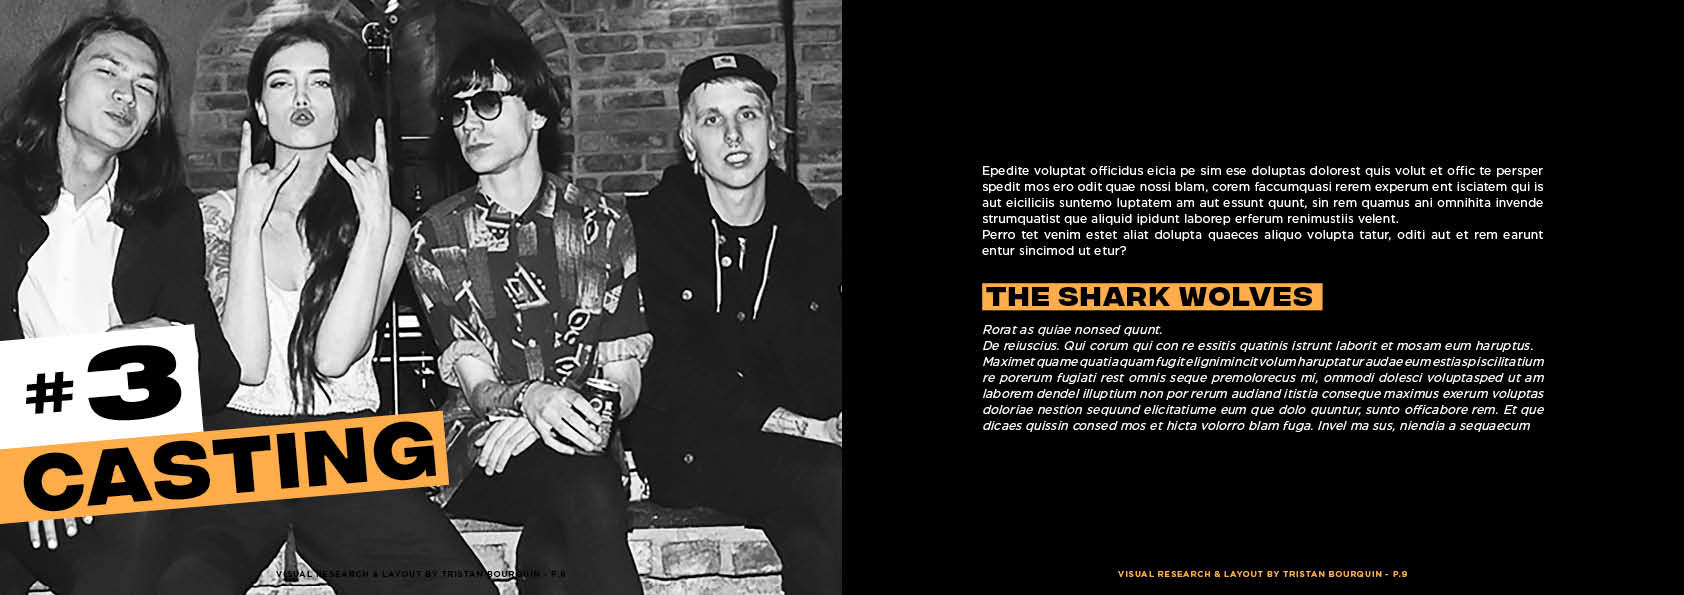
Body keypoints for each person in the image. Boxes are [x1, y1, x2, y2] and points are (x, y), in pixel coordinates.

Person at [153, 18, 494, 594]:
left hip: (344, 442)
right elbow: (246, 365)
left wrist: (374, 226)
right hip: (237, 439)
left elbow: (334, 358)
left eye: (320, 81)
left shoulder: (385, 223)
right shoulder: (213, 216)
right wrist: (245, 227)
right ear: (260, 109)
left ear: (344, 101)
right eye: (281, 83)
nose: (302, 98)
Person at [0, 10, 240, 595]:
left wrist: (161, 353)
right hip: (11, 449)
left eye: (145, 86)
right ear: (61, 86)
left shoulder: (166, 217)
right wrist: (34, 453)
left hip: (114, 463)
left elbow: (216, 374)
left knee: (141, 525)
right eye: (107, 71)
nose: (126, 95)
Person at [405, 38, 648, 595]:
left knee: (549, 551)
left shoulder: (604, 224)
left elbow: (625, 380)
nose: (469, 123)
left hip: (583, 443)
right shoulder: (436, 236)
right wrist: (530, 400)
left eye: (487, 103)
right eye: (458, 111)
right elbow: (477, 387)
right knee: (587, 487)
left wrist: (553, 414)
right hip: (485, 453)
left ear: (537, 113)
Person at [626, 53, 843, 595]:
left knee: (813, 548)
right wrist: (810, 428)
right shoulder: (650, 230)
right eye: (712, 119)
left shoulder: (811, 233)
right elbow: (672, 373)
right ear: (689, 139)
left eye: (747, 114)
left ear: (773, 131)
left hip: (792, 451)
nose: (732, 134)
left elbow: (823, 357)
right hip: (691, 448)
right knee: (829, 478)